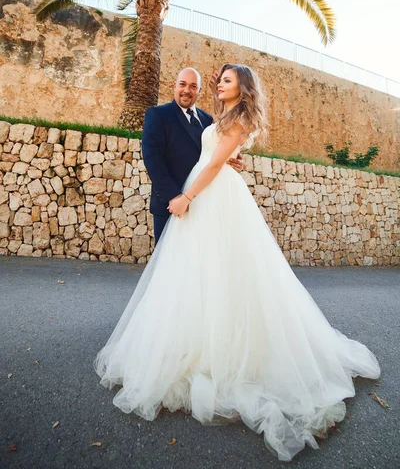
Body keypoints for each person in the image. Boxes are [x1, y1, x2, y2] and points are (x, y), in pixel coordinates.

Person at [94, 63, 380, 462]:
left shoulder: (239, 116)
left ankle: (220, 349)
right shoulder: (218, 117)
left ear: (242, 87)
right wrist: (223, 163)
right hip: (207, 189)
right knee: (193, 275)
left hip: (212, 195)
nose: (216, 84)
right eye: (217, 80)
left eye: (225, 80)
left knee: (225, 272)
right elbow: (214, 154)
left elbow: (212, 163)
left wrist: (189, 195)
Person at [141, 66, 243, 243]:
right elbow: (153, 160)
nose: (187, 90)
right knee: (168, 265)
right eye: (182, 84)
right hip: (170, 205)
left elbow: (216, 152)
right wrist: (176, 198)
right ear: (175, 86)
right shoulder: (157, 115)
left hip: (202, 204)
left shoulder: (207, 120)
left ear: (199, 91)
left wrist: (234, 161)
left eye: (193, 86)